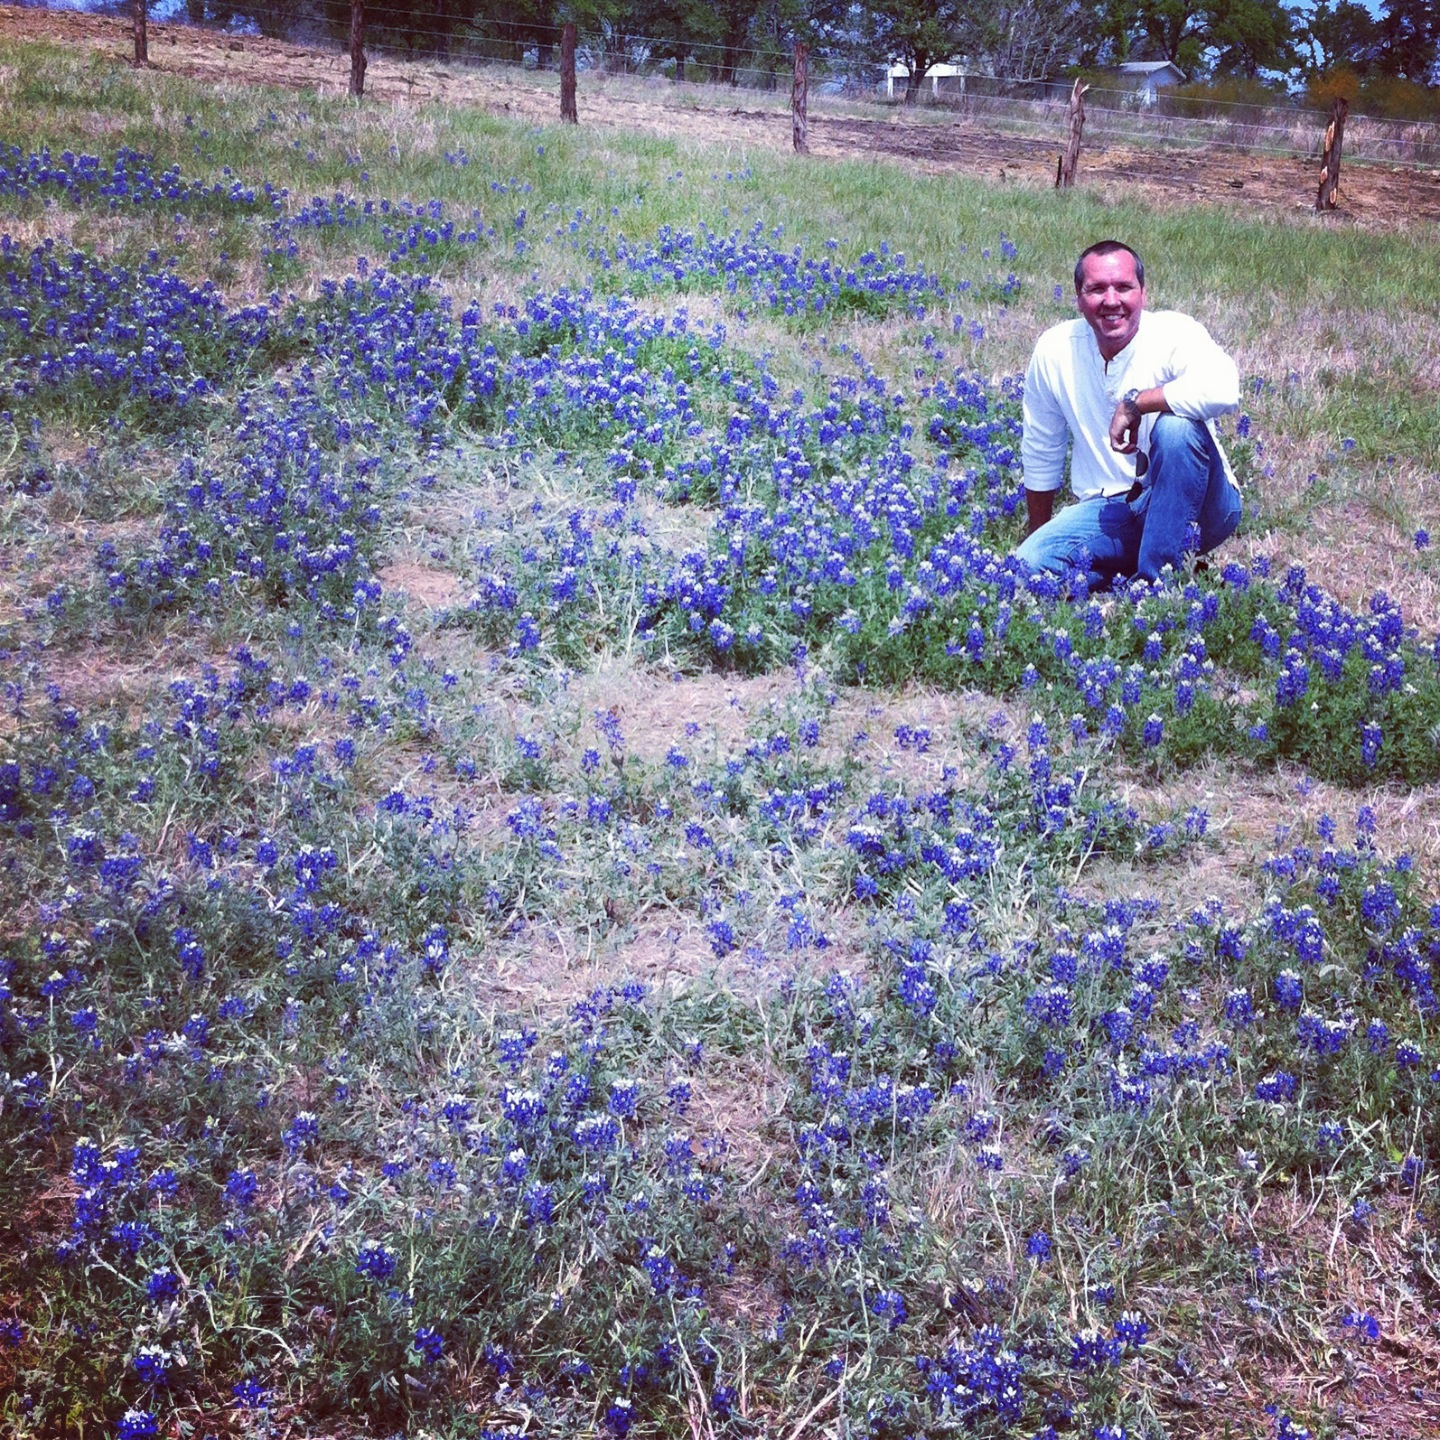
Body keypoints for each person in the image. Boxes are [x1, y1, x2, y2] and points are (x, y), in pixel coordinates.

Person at [1014, 239, 1242, 590]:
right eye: (1096, 289)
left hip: (1201, 506)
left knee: (1176, 430)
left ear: (1143, 293)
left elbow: (1225, 388)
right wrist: (1041, 538)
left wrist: (1138, 403)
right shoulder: (1055, 350)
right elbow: (1041, 450)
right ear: (1078, 297)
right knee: (1026, 566)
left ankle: (1155, 590)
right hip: (1110, 510)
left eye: (1123, 287)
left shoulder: (1173, 332)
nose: (1111, 301)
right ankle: (1125, 576)